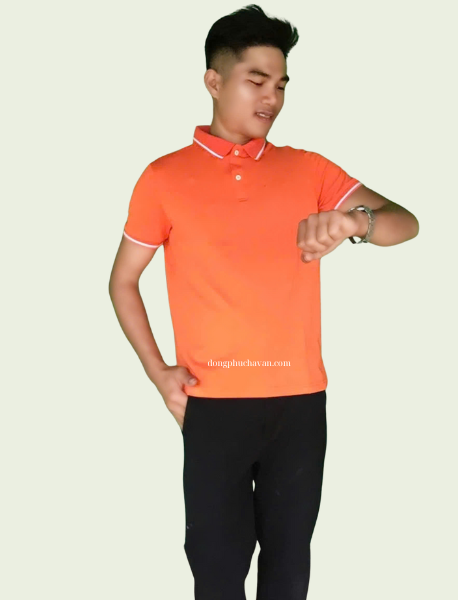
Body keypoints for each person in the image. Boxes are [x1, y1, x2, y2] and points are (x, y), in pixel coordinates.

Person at [109, 4, 419, 599]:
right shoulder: (164, 178)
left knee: (289, 570)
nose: (272, 98)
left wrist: (353, 221)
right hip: (212, 402)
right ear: (214, 81)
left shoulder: (309, 170)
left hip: (299, 404)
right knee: (216, 570)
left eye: (281, 85)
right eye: (256, 81)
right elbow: (123, 280)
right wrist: (158, 372)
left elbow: (404, 223)